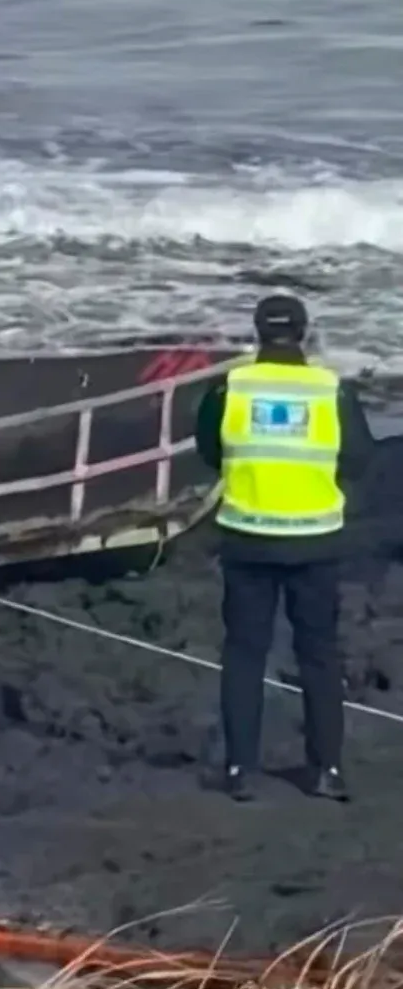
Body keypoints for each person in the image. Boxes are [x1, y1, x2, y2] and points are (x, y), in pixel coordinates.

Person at [195, 294, 375, 802]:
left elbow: (211, 451)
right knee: (318, 654)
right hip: (315, 540)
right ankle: (327, 771)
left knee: (245, 654)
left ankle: (240, 772)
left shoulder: (229, 388)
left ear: (257, 332)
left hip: (247, 536)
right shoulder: (331, 390)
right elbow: (358, 458)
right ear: (303, 332)